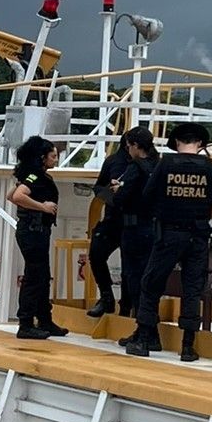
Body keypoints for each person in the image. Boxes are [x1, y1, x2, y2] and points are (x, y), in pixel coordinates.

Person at [125, 122, 212, 362]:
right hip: (199, 237)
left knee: (151, 283)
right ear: (200, 144)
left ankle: (144, 339)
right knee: (193, 289)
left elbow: (148, 194)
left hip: (169, 234)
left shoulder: (166, 163)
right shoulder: (209, 166)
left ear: (177, 142)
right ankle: (188, 347)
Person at [7, 136, 69, 340]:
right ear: (42, 157)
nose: (55, 160)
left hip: (36, 230)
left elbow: (12, 194)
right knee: (34, 276)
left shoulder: (34, 175)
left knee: (42, 275)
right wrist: (43, 206)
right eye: (53, 156)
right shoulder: (35, 176)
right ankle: (25, 323)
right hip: (33, 231)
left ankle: (44, 319)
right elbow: (17, 197)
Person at [112, 127, 160, 317]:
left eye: (128, 145)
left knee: (133, 275)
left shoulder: (135, 167)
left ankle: (139, 321)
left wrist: (117, 190)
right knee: (150, 276)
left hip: (134, 228)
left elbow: (120, 199)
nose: (127, 149)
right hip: (154, 227)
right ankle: (150, 318)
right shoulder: (159, 165)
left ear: (136, 146)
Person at [85, 132, 132, 317]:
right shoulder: (113, 161)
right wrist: (109, 194)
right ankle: (106, 297)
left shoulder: (149, 164)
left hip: (134, 222)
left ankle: (127, 306)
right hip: (112, 219)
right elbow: (98, 187)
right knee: (96, 254)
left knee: (129, 266)